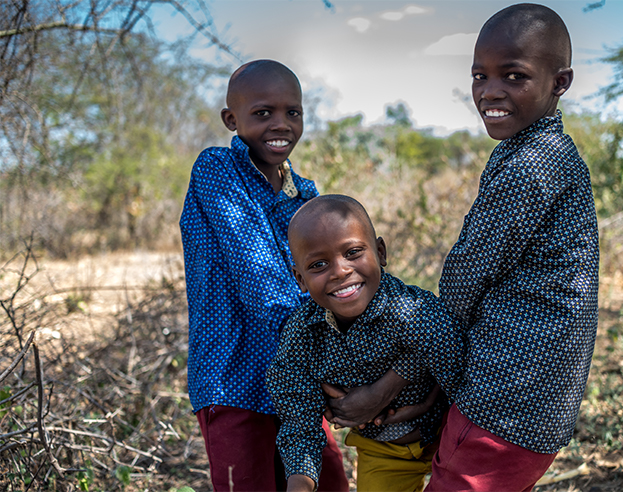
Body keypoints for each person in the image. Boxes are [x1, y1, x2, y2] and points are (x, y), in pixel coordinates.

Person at [324, 4, 599, 492]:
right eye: (480, 76)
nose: (490, 92)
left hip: (504, 401)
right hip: (532, 406)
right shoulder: (540, 153)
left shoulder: (531, 167)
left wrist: (394, 381)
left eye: (513, 76)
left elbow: (462, 284)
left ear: (560, 83)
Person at [179, 60, 348, 492]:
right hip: (232, 377)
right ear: (231, 120)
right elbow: (262, 280)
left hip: (296, 384)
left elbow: (324, 282)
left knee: (327, 482)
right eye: (263, 113)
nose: (281, 124)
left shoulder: (305, 194)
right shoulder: (216, 170)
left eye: (293, 112)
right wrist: (335, 360)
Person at [266, 195, 464, 492]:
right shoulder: (301, 337)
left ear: (380, 252)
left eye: (353, 252)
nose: (340, 271)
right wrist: (300, 486)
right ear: (300, 279)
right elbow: (299, 426)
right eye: (318, 264)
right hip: (383, 453)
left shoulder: (414, 311)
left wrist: (427, 402)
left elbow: (464, 380)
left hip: (452, 438)